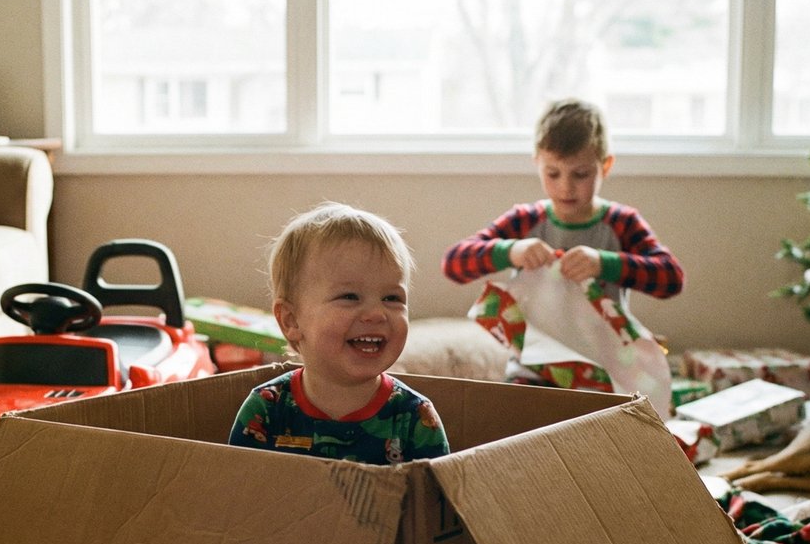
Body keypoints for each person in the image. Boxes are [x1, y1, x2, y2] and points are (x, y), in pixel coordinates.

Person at [441, 98, 684, 386]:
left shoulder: (622, 223)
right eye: (552, 173)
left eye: (580, 174)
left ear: (605, 166)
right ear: (537, 164)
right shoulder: (525, 220)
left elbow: (671, 278)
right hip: (533, 369)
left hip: (604, 370)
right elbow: (454, 264)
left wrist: (603, 263)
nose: (566, 187)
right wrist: (511, 251)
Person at [228, 202, 450, 464]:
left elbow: (437, 501)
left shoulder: (414, 417)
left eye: (392, 297)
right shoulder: (267, 409)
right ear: (291, 321)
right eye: (350, 296)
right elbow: (239, 493)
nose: (377, 314)